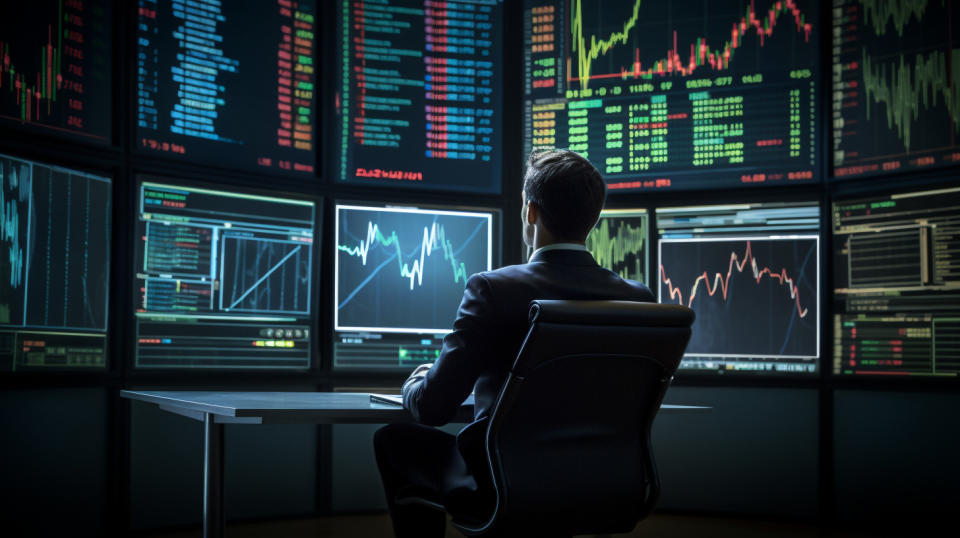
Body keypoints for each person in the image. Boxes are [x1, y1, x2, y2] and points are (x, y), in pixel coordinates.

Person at [373, 148, 655, 537]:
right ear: (592, 218)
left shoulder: (492, 289)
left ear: (531, 212)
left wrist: (413, 385)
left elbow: (433, 407)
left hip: (502, 483)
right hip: (607, 481)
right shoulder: (638, 300)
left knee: (394, 440)